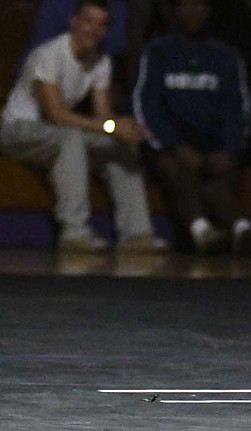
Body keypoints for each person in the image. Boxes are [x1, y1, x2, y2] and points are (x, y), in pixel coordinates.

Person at [0, 0, 165, 254]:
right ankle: (74, 232)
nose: (93, 30)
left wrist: (121, 128)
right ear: (74, 22)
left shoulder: (101, 63)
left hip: (57, 133)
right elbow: (56, 114)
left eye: (100, 25)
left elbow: (103, 117)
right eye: (88, 21)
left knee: (118, 146)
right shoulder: (48, 54)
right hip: (18, 130)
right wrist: (110, 127)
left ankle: (136, 234)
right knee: (71, 138)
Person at [133, 0, 251, 255]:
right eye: (186, 5)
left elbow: (237, 110)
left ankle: (240, 230)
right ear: (175, 10)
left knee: (218, 183)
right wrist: (174, 145)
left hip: (213, 145)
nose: (193, 11)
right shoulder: (157, 52)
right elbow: (147, 107)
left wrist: (229, 150)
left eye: (200, 4)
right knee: (176, 169)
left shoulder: (226, 57)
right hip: (169, 145)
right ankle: (202, 230)